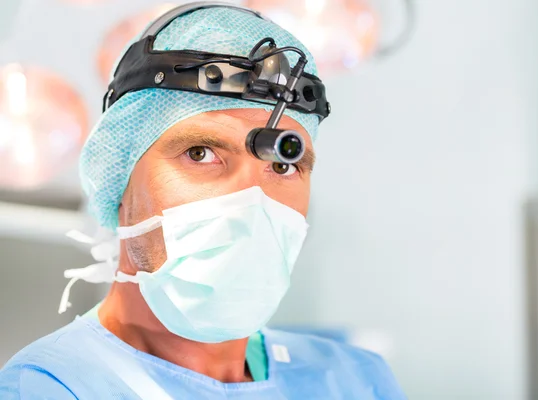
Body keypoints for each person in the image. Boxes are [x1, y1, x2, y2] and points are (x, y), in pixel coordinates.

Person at [0, 3, 406, 399]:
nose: (251, 204)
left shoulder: (354, 380)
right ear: (118, 174)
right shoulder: (50, 386)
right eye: (200, 153)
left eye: (283, 166)